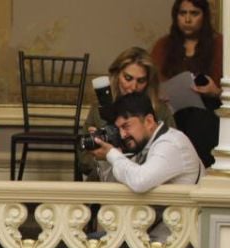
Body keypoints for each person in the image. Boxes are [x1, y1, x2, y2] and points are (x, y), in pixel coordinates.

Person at [81, 47, 176, 180]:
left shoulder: (160, 110)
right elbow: (83, 159)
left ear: (148, 82)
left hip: (148, 180)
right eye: (128, 78)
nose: (133, 87)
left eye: (141, 81)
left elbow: (171, 154)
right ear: (117, 76)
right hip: (106, 181)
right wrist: (99, 153)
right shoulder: (99, 110)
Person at [152, 0, 223, 168]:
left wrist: (216, 91)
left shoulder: (219, 44)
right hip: (172, 112)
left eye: (194, 13)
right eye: (183, 13)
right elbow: (152, 82)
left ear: (204, 16)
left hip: (209, 111)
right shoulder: (163, 46)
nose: (188, 19)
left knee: (200, 121)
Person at [92, 92, 203, 193]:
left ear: (149, 121)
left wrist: (112, 154)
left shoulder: (171, 143)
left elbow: (140, 181)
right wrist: (106, 155)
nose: (122, 135)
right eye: (119, 129)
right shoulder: (143, 143)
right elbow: (114, 188)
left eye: (126, 126)